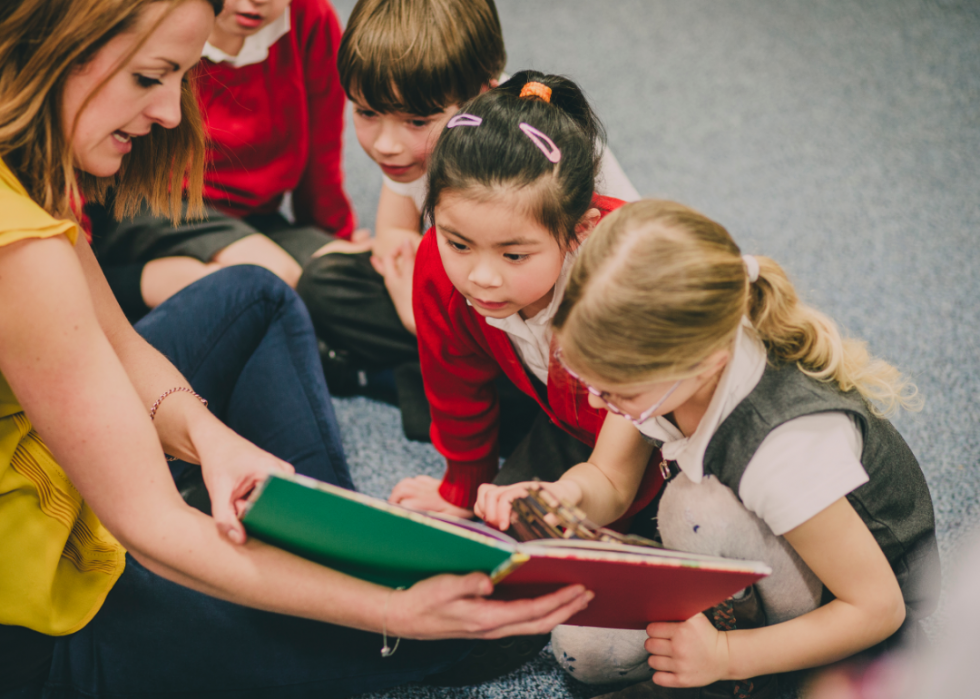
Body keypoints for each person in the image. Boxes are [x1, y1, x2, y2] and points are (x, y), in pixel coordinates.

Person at [0, 3, 593, 697]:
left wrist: (208, 437)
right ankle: (355, 595)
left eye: (181, 78)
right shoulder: (21, 256)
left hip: (73, 487)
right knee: (485, 618)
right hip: (47, 626)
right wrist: (391, 609)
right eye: (151, 77)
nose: (168, 112)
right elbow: (150, 526)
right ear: (62, 50)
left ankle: (336, 549)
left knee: (257, 294)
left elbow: (121, 347)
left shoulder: (26, 181)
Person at [476, 200, 941, 697]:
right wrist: (560, 496)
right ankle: (739, 651)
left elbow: (878, 609)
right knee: (582, 648)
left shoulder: (784, 446)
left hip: (856, 615)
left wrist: (726, 657)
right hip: (758, 558)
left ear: (702, 364)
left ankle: (774, 673)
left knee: (695, 509)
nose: (594, 398)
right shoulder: (662, 365)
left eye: (615, 388)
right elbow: (610, 480)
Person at [297, 0, 640, 418]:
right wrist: (411, 291)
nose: (386, 144)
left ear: (484, 94)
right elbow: (394, 234)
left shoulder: (540, 146)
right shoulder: (411, 150)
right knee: (323, 282)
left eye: (416, 121)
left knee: (569, 411)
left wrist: (422, 317)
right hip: (484, 294)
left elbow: (618, 308)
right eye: (367, 113)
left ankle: (424, 388)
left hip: (561, 323)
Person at [398, 71, 665, 528]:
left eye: (514, 254)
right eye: (458, 244)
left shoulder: (629, 281)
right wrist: (462, 488)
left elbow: (615, 482)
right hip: (570, 422)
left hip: (673, 445)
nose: (480, 277)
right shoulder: (437, 263)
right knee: (501, 530)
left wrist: (567, 500)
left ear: (581, 230)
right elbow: (454, 383)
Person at [88, 0, 365, 323]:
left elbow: (324, 152)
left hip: (256, 217)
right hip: (157, 205)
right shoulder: (170, 19)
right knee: (275, 279)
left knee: (352, 273)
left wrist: (336, 237)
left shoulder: (311, 20)